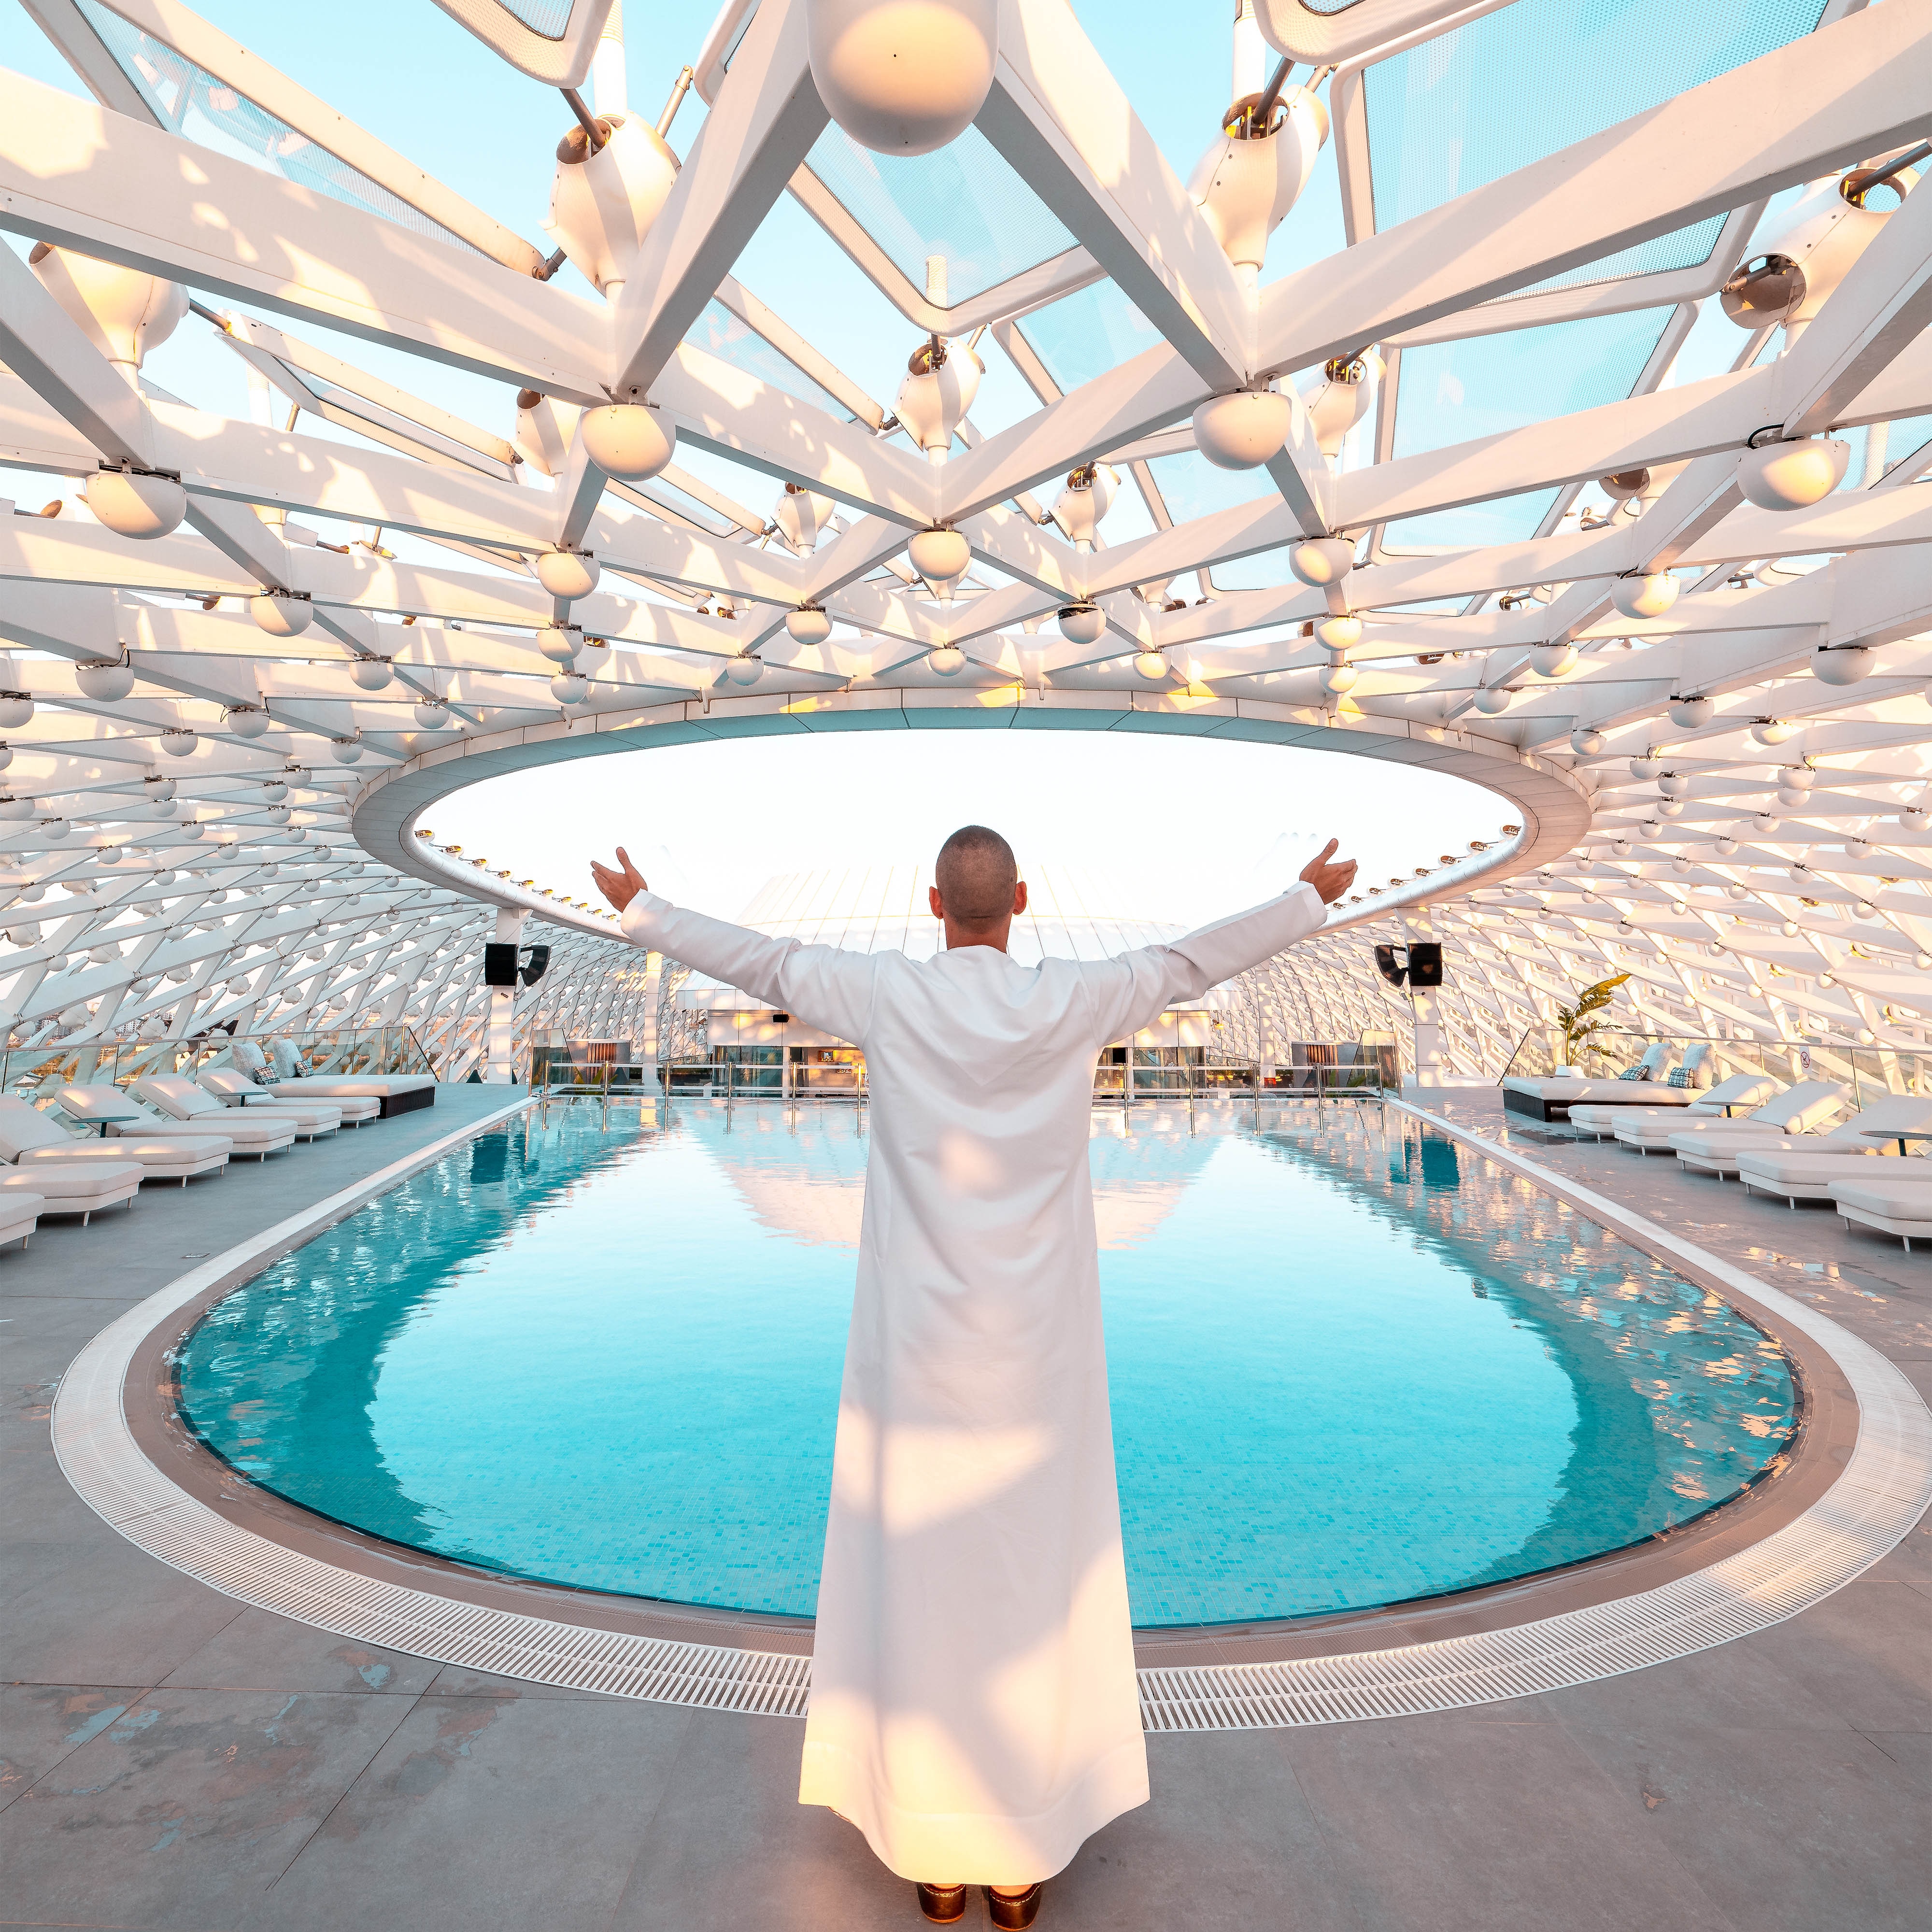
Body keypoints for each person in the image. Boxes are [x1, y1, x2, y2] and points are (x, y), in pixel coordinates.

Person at [592, 829, 1357, 1928]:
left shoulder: (885, 992)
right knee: (1032, 1594)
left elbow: (762, 961)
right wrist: (1303, 897)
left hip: (915, 1356)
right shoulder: (1076, 998)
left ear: (933, 902)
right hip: (1038, 1360)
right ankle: (1017, 1858)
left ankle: (934, 1853)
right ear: (1021, 903)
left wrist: (643, 909)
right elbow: (1192, 961)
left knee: (920, 1587)